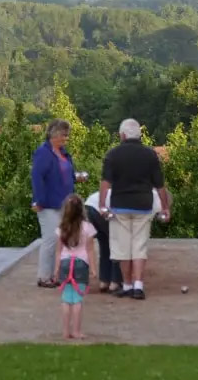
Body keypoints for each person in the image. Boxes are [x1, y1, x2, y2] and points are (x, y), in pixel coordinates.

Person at [98, 118, 170, 301]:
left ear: (122, 135)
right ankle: (139, 286)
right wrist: (165, 207)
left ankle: (127, 285)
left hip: (120, 205)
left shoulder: (113, 154)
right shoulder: (150, 155)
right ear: (139, 135)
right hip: (143, 204)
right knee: (139, 246)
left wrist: (101, 204)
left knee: (123, 248)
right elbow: (160, 185)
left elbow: (105, 182)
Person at [85, 188, 170, 294]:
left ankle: (104, 281)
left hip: (90, 205)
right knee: (119, 243)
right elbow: (141, 223)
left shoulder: (146, 192)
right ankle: (115, 282)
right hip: (105, 209)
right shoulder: (156, 201)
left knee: (105, 245)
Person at [31, 119, 84, 288]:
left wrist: (76, 177)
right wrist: (39, 199)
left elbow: (64, 174)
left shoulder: (63, 153)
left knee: (63, 239)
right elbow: (37, 177)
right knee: (51, 239)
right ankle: (44, 276)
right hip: (48, 204)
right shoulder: (44, 153)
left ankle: (59, 274)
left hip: (65, 203)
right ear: (54, 134)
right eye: (63, 135)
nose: (66, 138)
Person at [53, 193, 97, 340]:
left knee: (66, 300)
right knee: (77, 300)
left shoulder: (61, 229)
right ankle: (77, 331)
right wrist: (93, 268)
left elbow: (58, 251)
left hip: (65, 264)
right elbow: (90, 250)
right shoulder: (88, 228)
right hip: (81, 264)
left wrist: (56, 269)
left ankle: (66, 332)